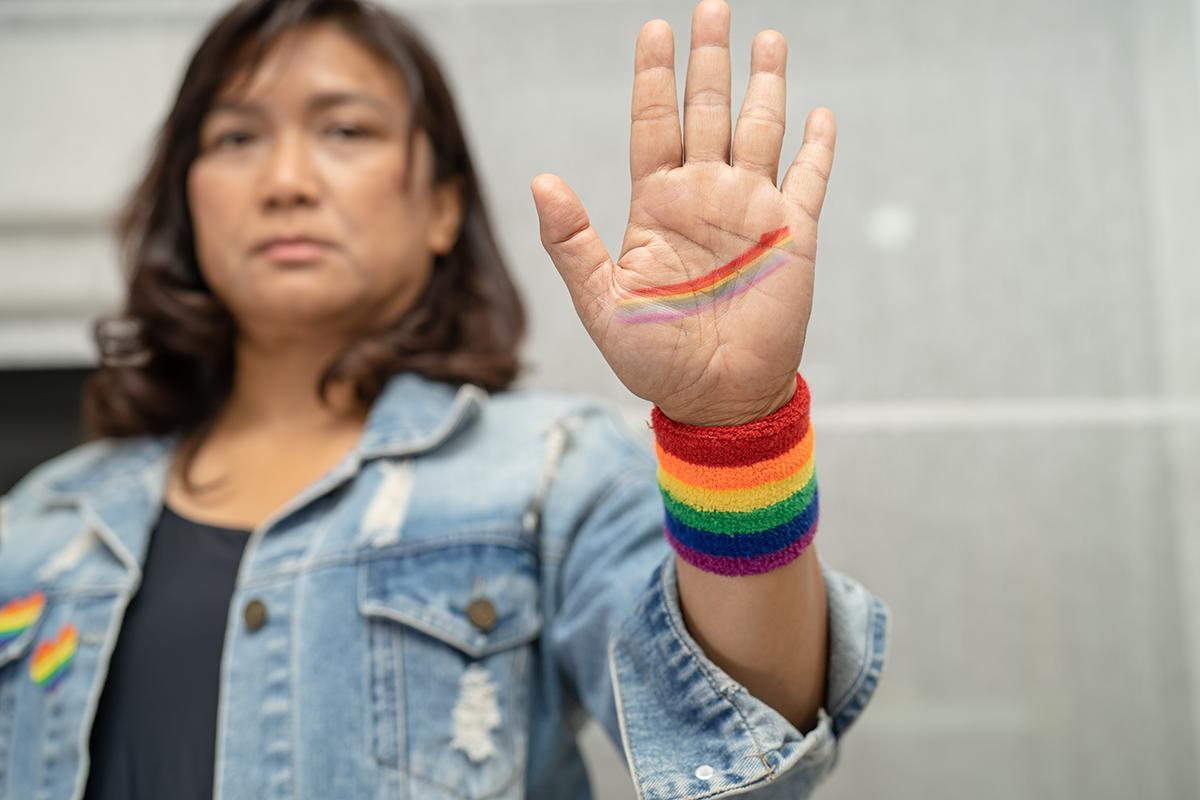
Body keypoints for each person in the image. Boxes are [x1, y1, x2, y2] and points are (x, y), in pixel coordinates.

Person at [0, 0, 889, 797]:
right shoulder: (41, 521)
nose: (285, 181)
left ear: (439, 207)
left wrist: (731, 430)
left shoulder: (551, 473)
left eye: (346, 131)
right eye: (236, 138)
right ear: (188, 204)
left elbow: (746, 744)